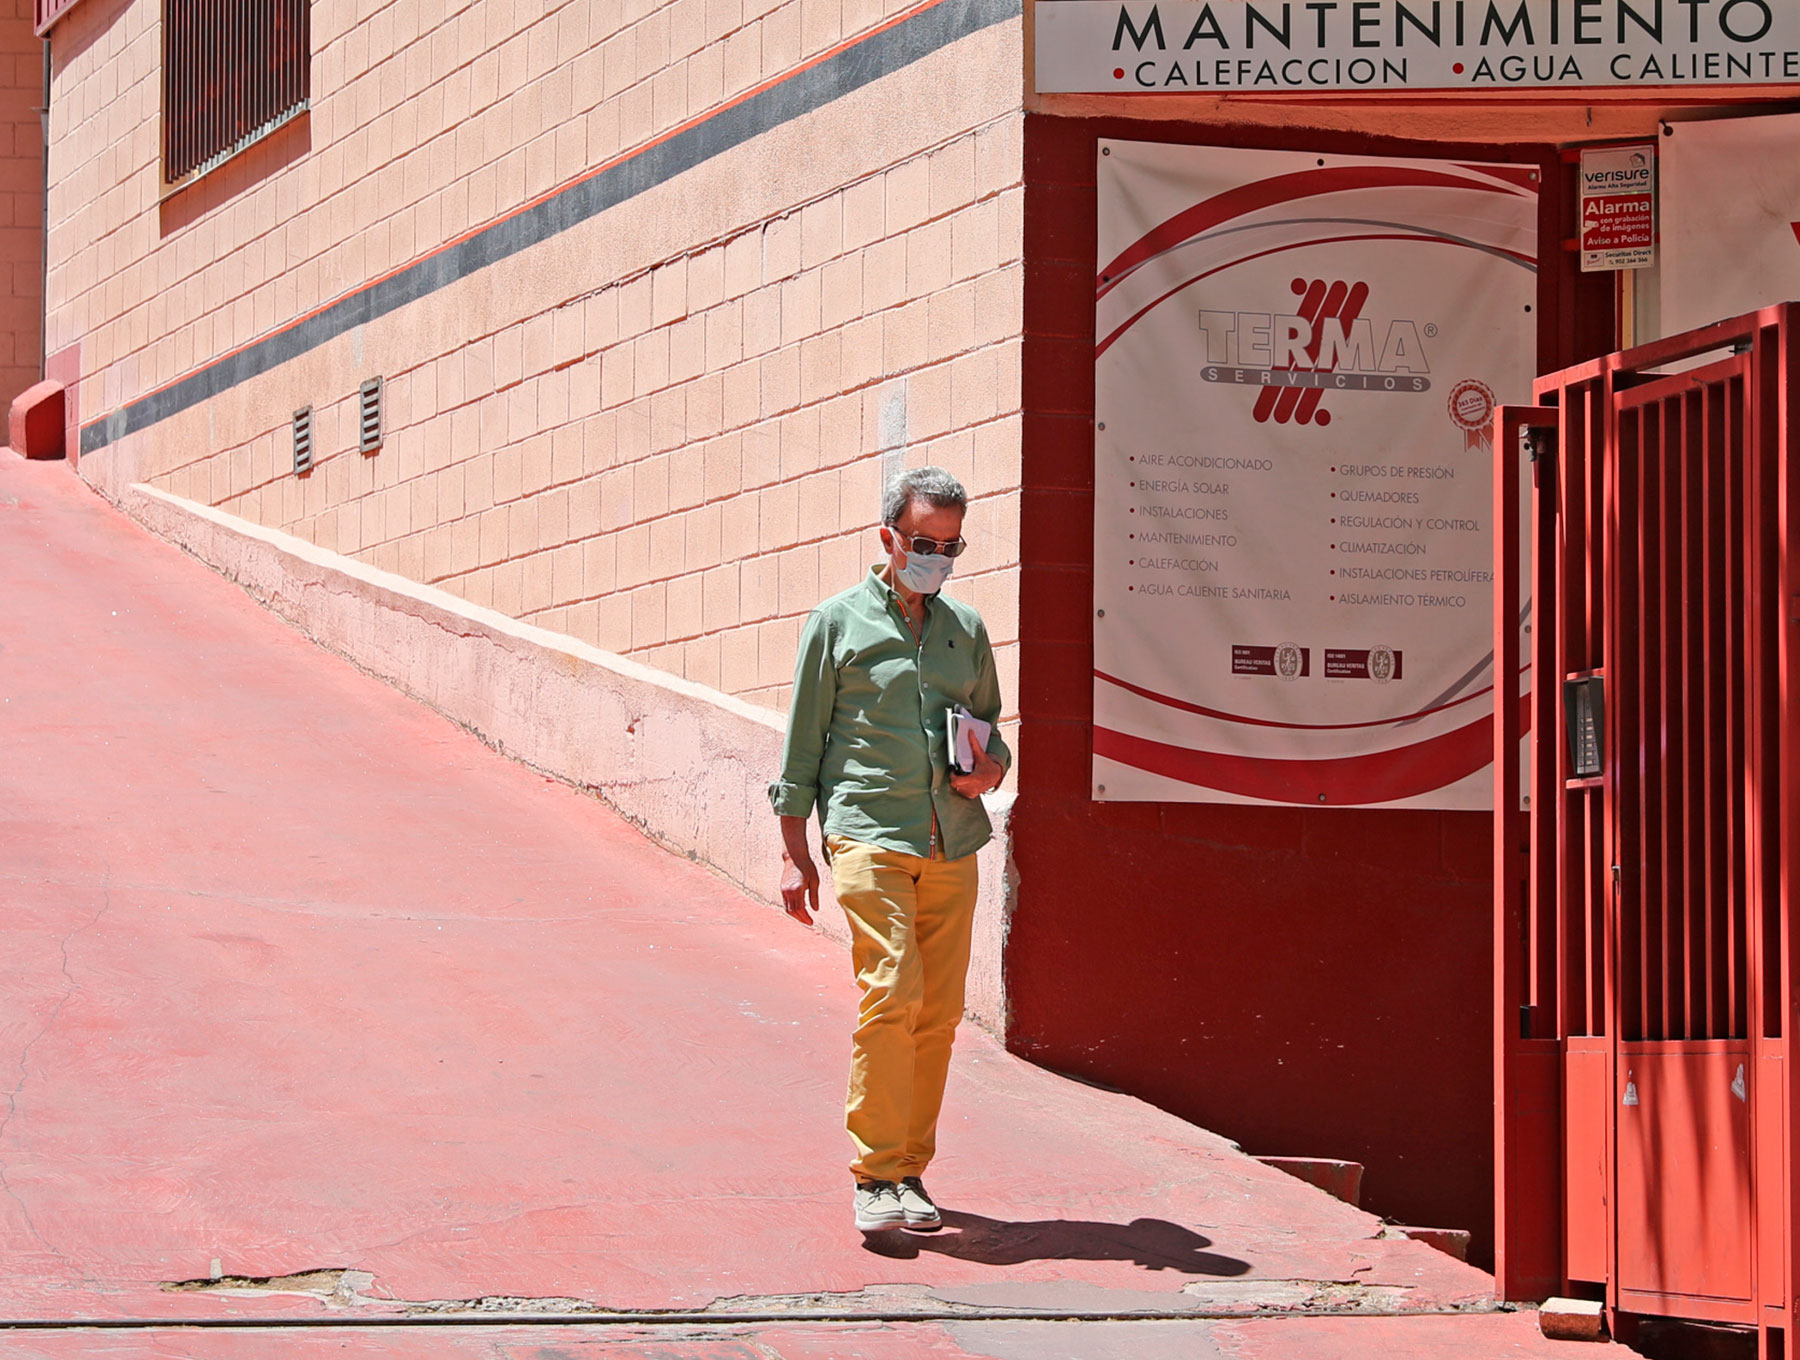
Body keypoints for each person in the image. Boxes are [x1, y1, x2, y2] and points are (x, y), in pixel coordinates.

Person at [768, 466, 1010, 1235]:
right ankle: (874, 1175)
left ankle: (910, 1170)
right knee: (893, 991)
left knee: (937, 1015)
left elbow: (989, 729)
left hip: (952, 838)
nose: (936, 556)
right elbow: (803, 746)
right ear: (888, 538)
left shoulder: (965, 630)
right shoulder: (836, 623)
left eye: (950, 545)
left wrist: (992, 767)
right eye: (923, 542)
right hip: (867, 829)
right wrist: (793, 851)